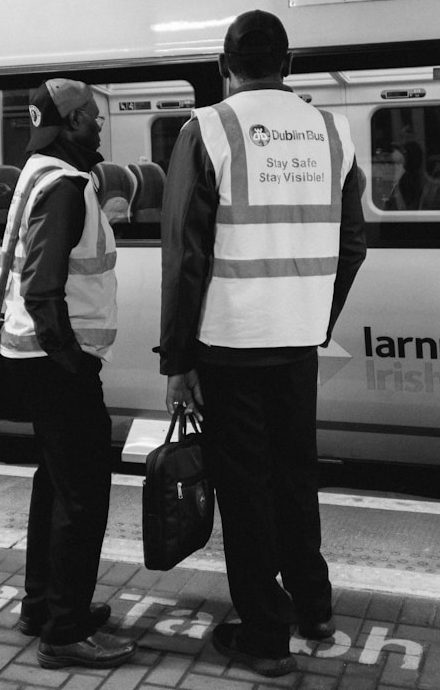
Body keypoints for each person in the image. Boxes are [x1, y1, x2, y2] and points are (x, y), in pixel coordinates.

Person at [158, 10, 366, 678]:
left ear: (225, 65)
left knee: (245, 486)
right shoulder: (334, 132)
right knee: (296, 473)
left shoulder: (208, 129)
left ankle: (267, 634)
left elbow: (185, 257)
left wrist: (178, 357)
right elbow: (354, 243)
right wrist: (314, 312)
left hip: (230, 343)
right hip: (298, 339)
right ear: (290, 64)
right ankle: (313, 602)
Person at [0, 79, 136, 669]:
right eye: (94, 118)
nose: (100, 127)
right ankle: (65, 628)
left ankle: (43, 605)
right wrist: (72, 361)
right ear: (74, 121)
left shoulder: (37, 171)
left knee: (54, 485)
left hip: (36, 359)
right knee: (82, 495)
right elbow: (42, 284)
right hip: (58, 365)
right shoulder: (64, 185)